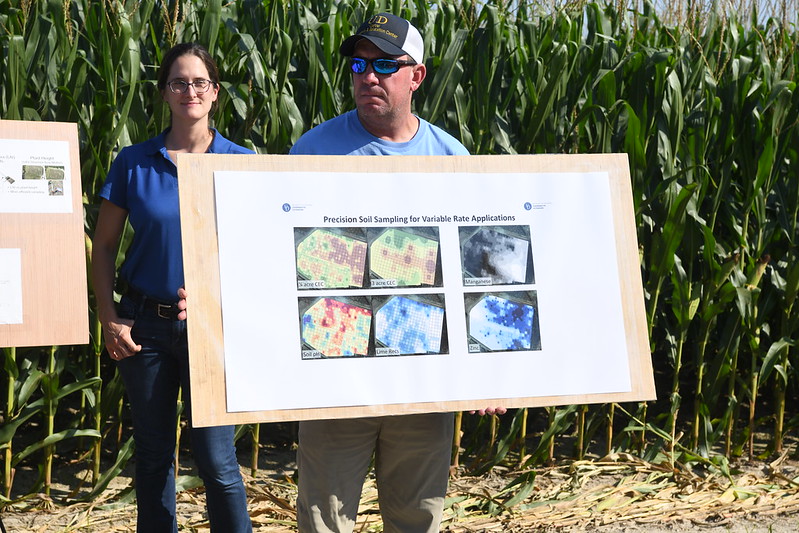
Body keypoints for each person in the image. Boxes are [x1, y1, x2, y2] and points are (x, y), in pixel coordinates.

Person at [289, 13, 506, 533]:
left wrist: (493, 367)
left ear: (417, 76)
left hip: (421, 369)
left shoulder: (451, 159)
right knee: (324, 518)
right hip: (336, 363)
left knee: (416, 517)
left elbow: (474, 275)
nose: (369, 76)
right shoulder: (312, 151)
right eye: (360, 64)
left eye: (386, 64)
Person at [91, 43, 252, 533]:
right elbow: (102, 249)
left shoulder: (241, 163)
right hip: (145, 328)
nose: (190, 91)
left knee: (217, 461)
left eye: (199, 82)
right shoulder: (134, 162)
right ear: (164, 92)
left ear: (215, 92)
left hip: (212, 330)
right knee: (154, 455)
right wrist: (109, 316)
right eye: (179, 82)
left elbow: (257, 253)